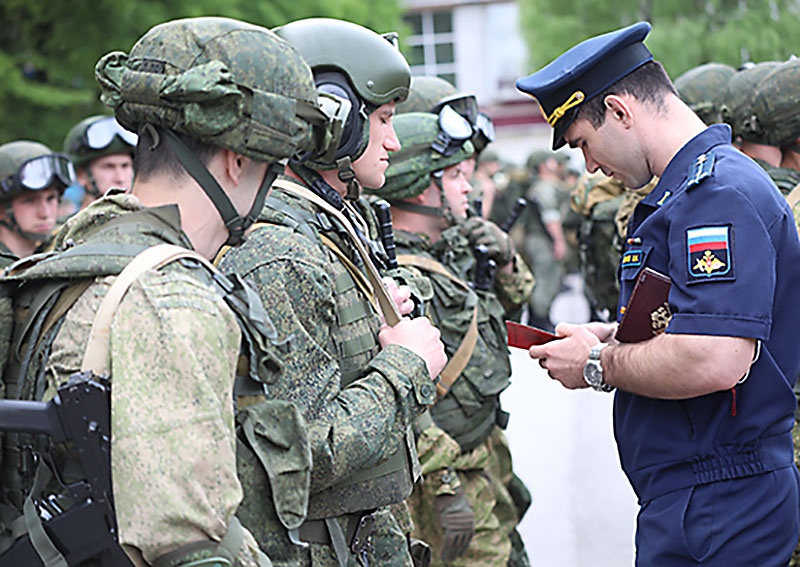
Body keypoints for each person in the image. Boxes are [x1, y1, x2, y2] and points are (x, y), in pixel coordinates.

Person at [0, 16, 328, 566]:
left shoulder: (67, 258)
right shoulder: (172, 302)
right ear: (238, 160)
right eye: (273, 168)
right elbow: (190, 545)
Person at [516, 21, 800, 565]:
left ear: (621, 111)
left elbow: (717, 358)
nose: (590, 166)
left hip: (723, 497)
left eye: (584, 143)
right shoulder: (689, 193)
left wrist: (598, 362)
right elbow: (691, 321)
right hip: (703, 497)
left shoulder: (714, 196)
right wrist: (612, 335)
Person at [217, 18, 447, 567]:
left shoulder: (325, 226)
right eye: (384, 119)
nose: (394, 140)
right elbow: (304, 451)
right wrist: (407, 366)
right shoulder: (279, 253)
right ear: (332, 119)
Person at [367, 111, 533, 566]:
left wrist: (505, 262)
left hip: (481, 451)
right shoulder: (397, 276)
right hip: (448, 471)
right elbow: (408, 398)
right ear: (423, 186)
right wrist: (443, 486)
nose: (470, 187)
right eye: (457, 176)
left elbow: (501, 317)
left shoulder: (448, 249)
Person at [0, 141, 73, 267]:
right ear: (2, 209)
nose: (45, 213)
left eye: (51, 199)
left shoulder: (62, 251)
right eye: (30, 201)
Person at [519, 149, 568, 331]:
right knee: (545, 279)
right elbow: (551, 217)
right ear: (542, 166)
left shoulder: (542, 185)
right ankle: (539, 321)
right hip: (542, 240)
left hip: (538, 239)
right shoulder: (544, 187)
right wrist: (559, 241)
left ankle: (539, 318)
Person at [63, 114, 137, 211]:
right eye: (108, 167)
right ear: (81, 175)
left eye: (125, 166)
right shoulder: (64, 226)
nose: (120, 178)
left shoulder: (150, 223)